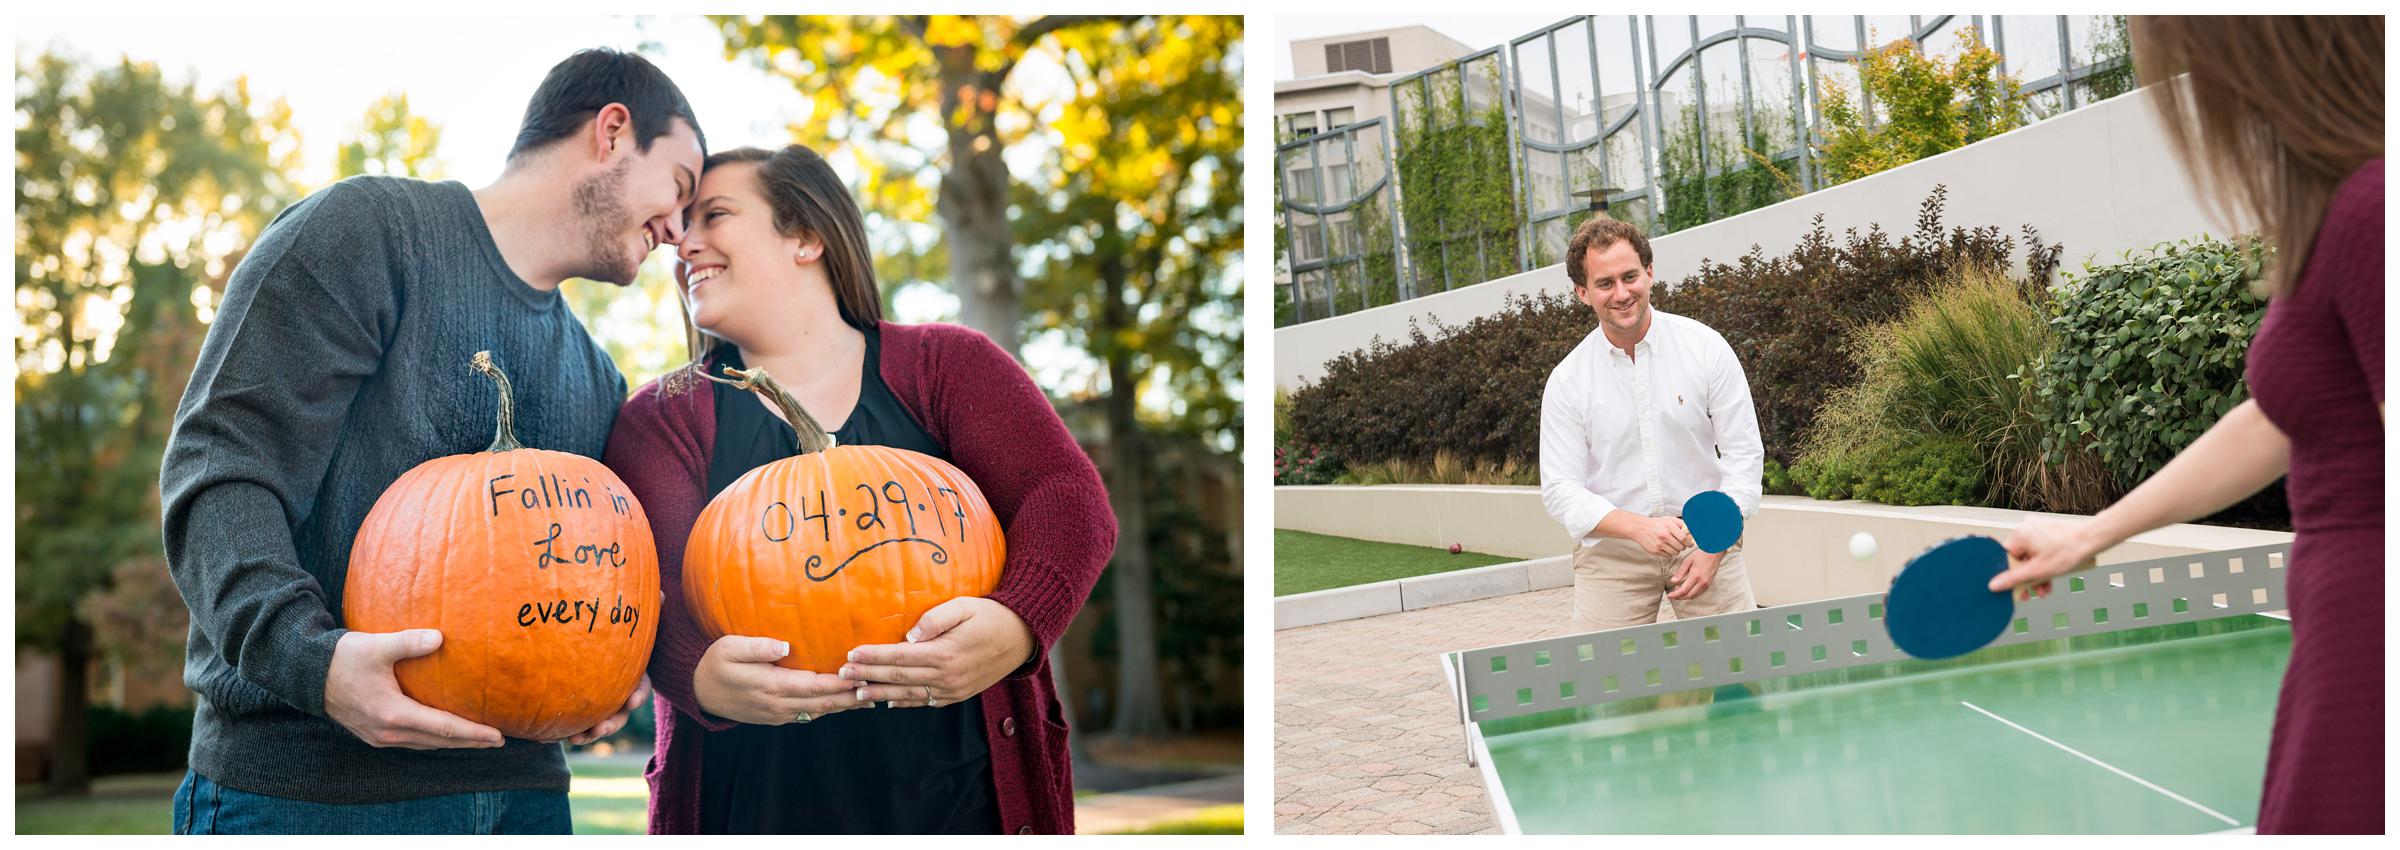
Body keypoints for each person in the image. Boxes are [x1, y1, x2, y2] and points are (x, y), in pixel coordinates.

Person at [158, 48, 705, 834]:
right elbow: (221, 468)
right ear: (613, 131)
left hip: (528, 799)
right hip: (310, 795)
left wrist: (609, 671)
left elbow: (596, 568)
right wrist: (316, 663)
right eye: (679, 188)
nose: (680, 230)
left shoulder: (596, 376)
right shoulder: (368, 234)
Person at [602, 144, 1115, 835]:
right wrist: (695, 673)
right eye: (678, 226)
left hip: (963, 803)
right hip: (754, 808)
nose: (681, 243)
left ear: (807, 236)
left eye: (713, 215)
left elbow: (1066, 498)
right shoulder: (661, 417)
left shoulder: (948, 366)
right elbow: (643, 589)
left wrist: (1018, 623)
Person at [1989, 16, 2381, 835]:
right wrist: (2092, 534)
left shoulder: (2374, 209)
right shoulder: (2342, 207)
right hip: (2343, 636)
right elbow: (2277, 418)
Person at [1539, 216, 1766, 632]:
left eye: (1630, 277)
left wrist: (1715, 545)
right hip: (1614, 548)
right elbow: (1560, 489)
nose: (1621, 293)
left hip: (1706, 536)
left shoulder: (1706, 348)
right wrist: (1638, 528)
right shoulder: (1567, 381)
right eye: (1605, 283)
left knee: (1741, 675)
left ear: (1649, 272)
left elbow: (1744, 454)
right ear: (1582, 292)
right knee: (1607, 688)